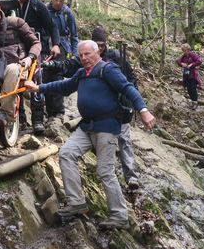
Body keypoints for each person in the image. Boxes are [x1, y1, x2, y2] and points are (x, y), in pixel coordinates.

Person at [25, 41, 156, 230]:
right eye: (81, 55)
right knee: (66, 153)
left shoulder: (107, 69)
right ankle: (76, 203)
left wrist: (143, 110)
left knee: (105, 171)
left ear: (97, 53)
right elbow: (64, 86)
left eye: (87, 54)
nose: (84, 58)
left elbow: (128, 88)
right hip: (86, 126)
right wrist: (39, 88)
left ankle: (119, 216)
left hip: (106, 127)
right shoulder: (81, 74)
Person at [91, 26, 140, 191]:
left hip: (119, 106)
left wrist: (131, 99)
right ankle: (106, 178)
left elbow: (131, 77)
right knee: (103, 143)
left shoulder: (116, 57)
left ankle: (131, 178)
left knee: (124, 140)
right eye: (96, 44)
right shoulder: (87, 58)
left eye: (102, 45)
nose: (99, 48)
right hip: (99, 109)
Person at [13, 0, 61, 134]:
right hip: (13, 48)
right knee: (15, 81)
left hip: (34, 46)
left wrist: (55, 44)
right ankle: (19, 119)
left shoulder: (37, 5)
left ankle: (38, 120)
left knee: (36, 80)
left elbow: (52, 26)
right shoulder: (8, 5)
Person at [39, 0, 79, 119]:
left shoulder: (67, 13)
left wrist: (75, 54)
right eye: (56, 0)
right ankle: (49, 110)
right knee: (45, 77)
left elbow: (74, 35)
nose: (58, 3)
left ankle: (59, 111)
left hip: (62, 48)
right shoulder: (43, 9)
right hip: (45, 47)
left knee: (58, 77)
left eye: (61, 1)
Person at [177, 43, 202, 110]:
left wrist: (191, 64)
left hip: (193, 74)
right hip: (186, 74)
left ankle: (195, 103)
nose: (184, 52)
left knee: (193, 88)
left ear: (188, 50)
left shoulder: (193, 55)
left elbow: (199, 61)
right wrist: (182, 64)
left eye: (185, 50)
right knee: (188, 88)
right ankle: (192, 102)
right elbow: (178, 61)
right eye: (183, 51)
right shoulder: (183, 56)